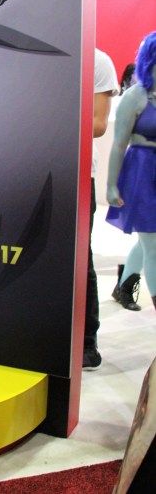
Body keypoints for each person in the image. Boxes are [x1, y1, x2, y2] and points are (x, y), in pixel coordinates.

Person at [106, 31, 156, 313]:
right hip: (141, 172)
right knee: (153, 242)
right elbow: (118, 143)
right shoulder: (134, 97)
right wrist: (111, 185)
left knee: (149, 238)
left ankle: (124, 286)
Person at [83, 48, 119, 371]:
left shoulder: (97, 61)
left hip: (79, 172)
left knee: (81, 258)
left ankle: (86, 342)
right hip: (34, 163)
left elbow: (98, 124)